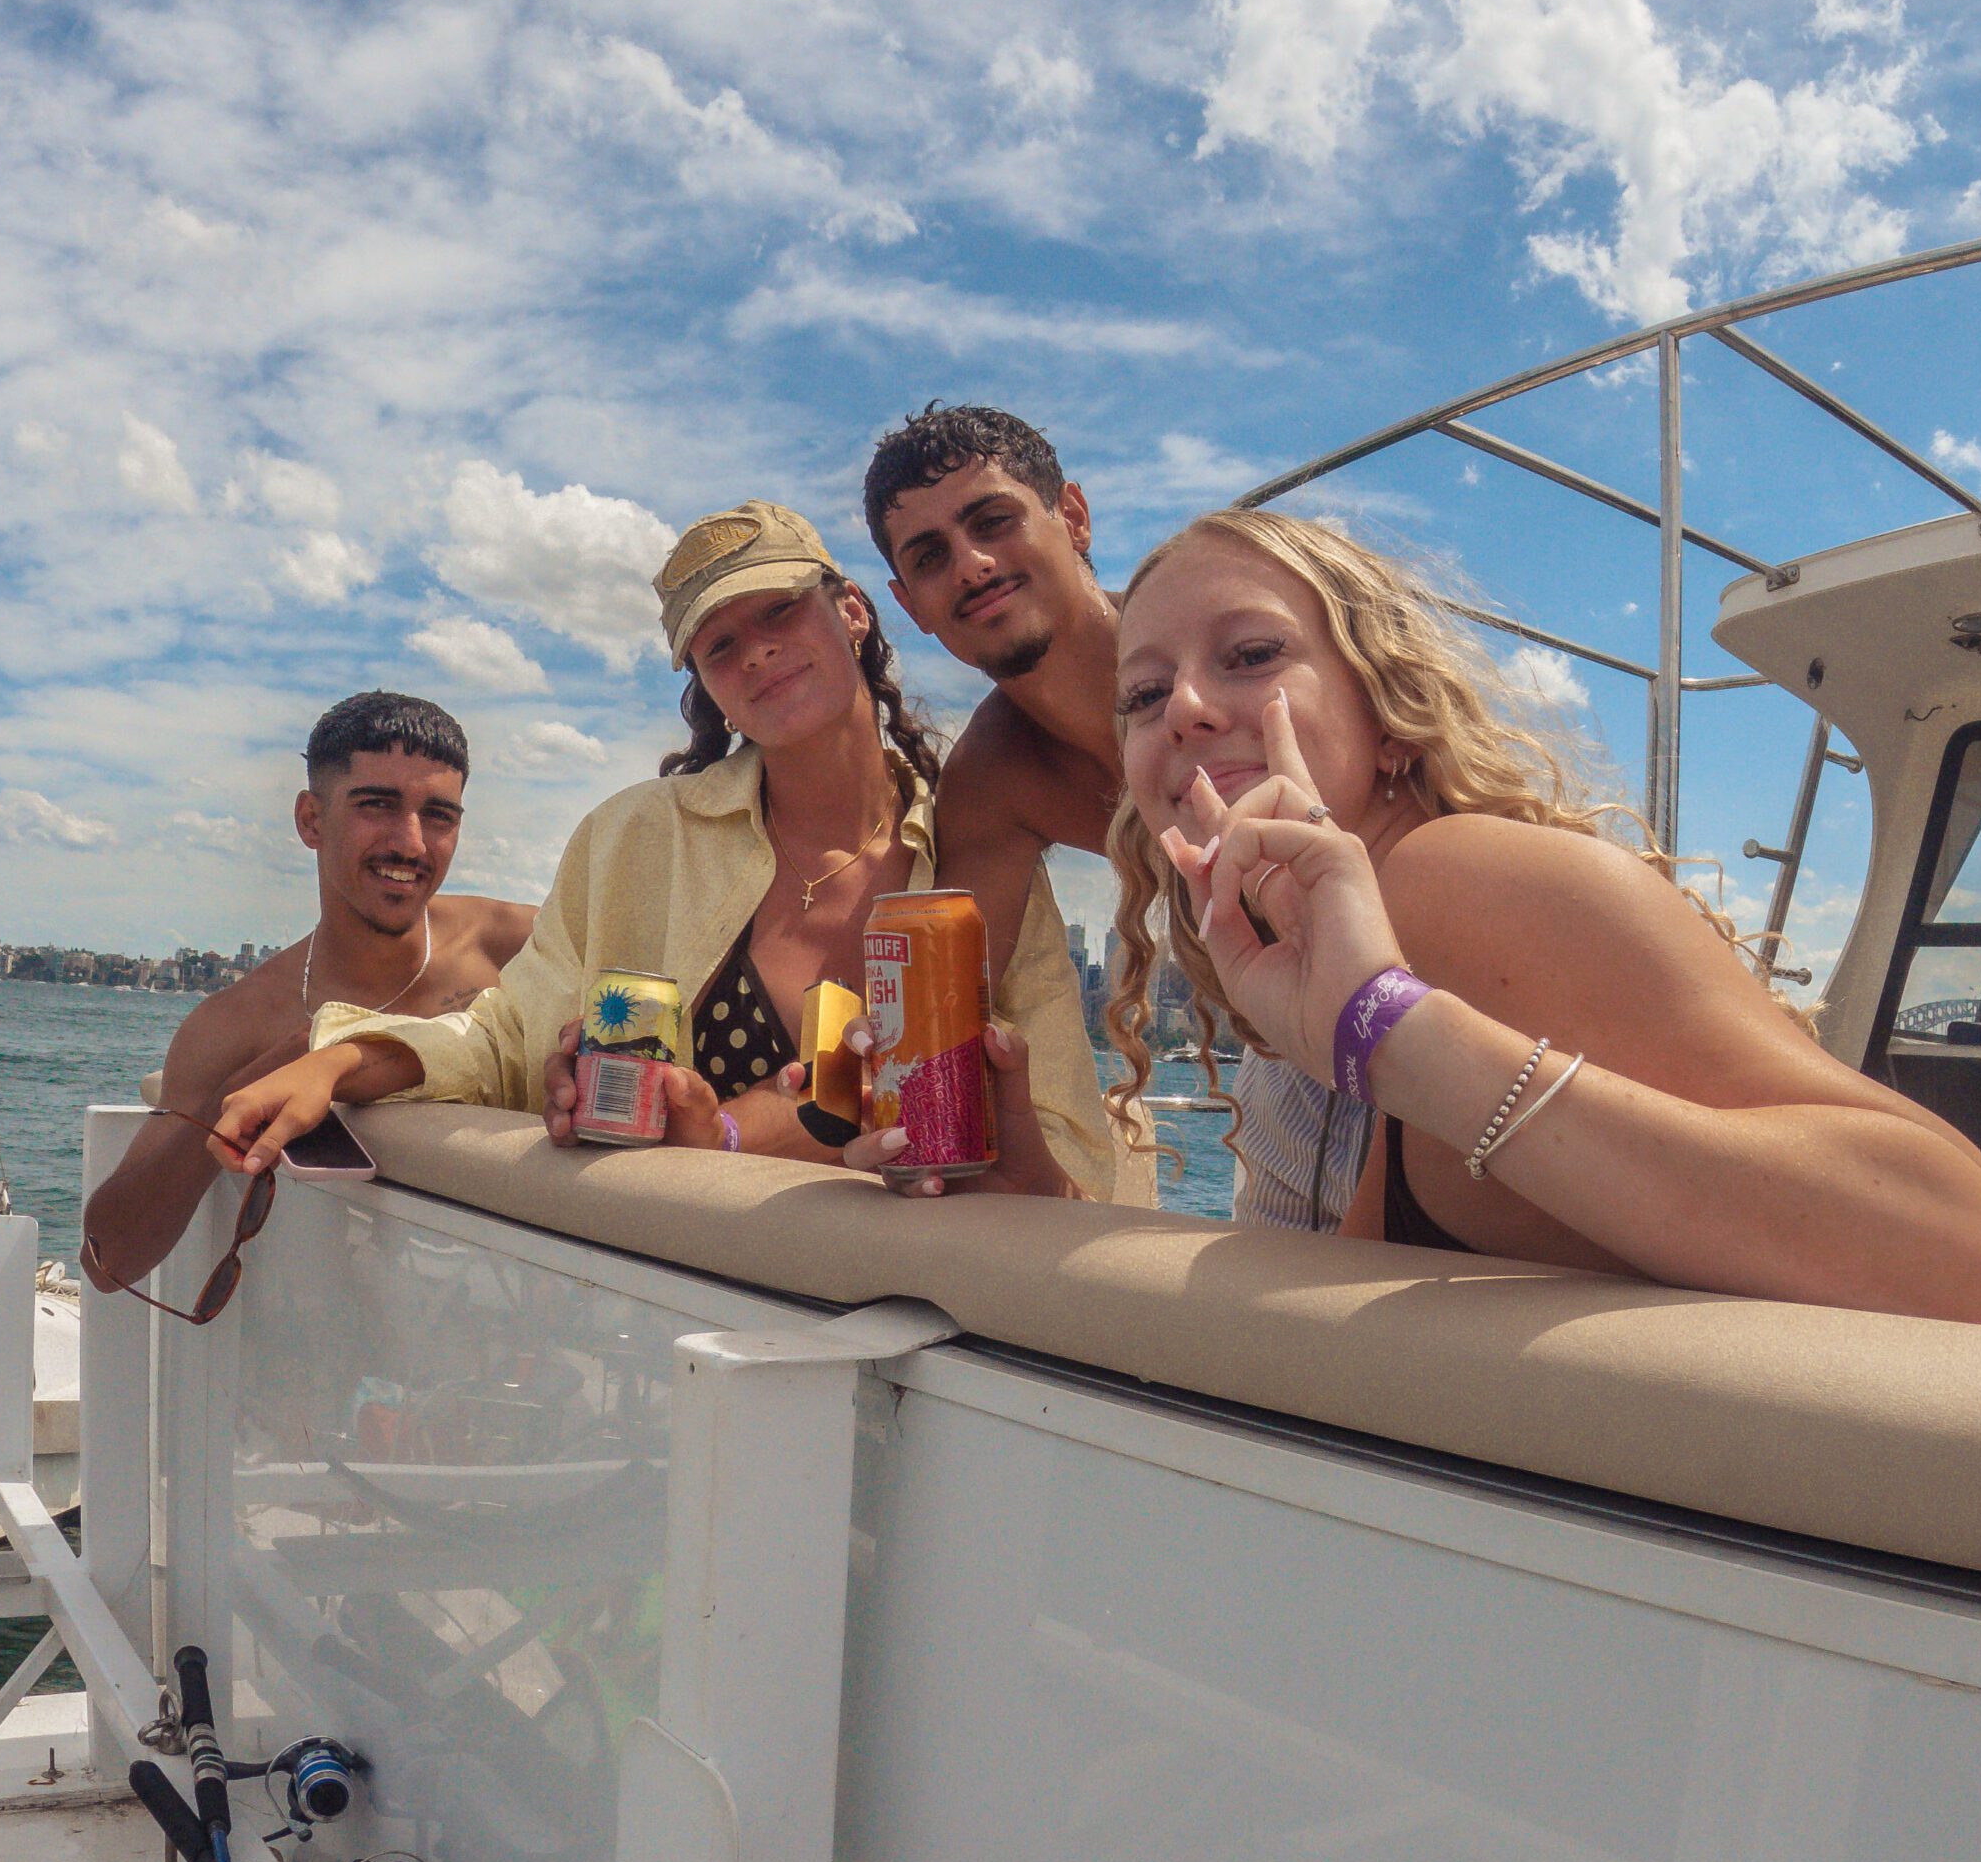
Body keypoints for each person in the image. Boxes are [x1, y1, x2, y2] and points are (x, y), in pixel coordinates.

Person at [1110, 507, 1981, 1327]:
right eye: (1144, 695)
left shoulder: (1450, 877)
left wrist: (1394, 1033)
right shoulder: (1349, 945)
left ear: (1390, 715)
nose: (1184, 706)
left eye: (1252, 655)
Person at [211, 504, 1126, 1201]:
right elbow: (502, 1042)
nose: (757, 654)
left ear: (851, 611)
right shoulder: (632, 840)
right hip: (669, 1299)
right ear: (705, 682)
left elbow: (1062, 1131)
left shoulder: (976, 851)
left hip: (895, 1318)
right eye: (721, 645)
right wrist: (336, 1063)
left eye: (780, 612)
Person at [866, 402, 1344, 1224]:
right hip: (1289, 1051)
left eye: (993, 522)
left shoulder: (1233, 660)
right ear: (911, 605)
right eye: (932, 556)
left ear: (1075, 517)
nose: (972, 565)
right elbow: (949, 1019)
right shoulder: (994, 778)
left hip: (1433, 977)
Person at [80, 691, 533, 1293]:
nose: (411, 843)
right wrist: (250, 1084)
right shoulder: (239, 1025)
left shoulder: (515, 946)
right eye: (377, 805)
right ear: (311, 820)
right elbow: (108, 1262)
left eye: (439, 815)